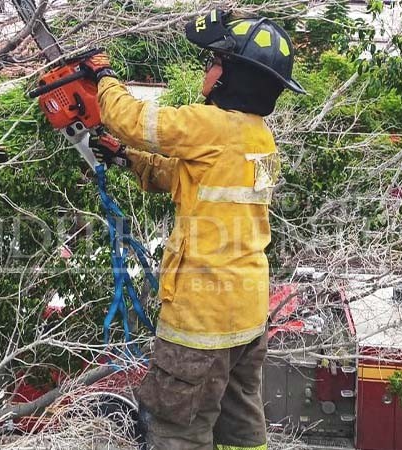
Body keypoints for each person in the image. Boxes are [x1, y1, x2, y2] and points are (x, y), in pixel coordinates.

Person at [83, 9, 306, 450]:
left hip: (201, 318)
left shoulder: (210, 125)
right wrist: (127, 159)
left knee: (176, 429)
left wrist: (102, 75)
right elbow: (189, 177)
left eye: (215, 62)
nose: (209, 69)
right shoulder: (260, 138)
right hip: (246, 312)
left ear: (232, 76)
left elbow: (130, 119)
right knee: (240, 424)